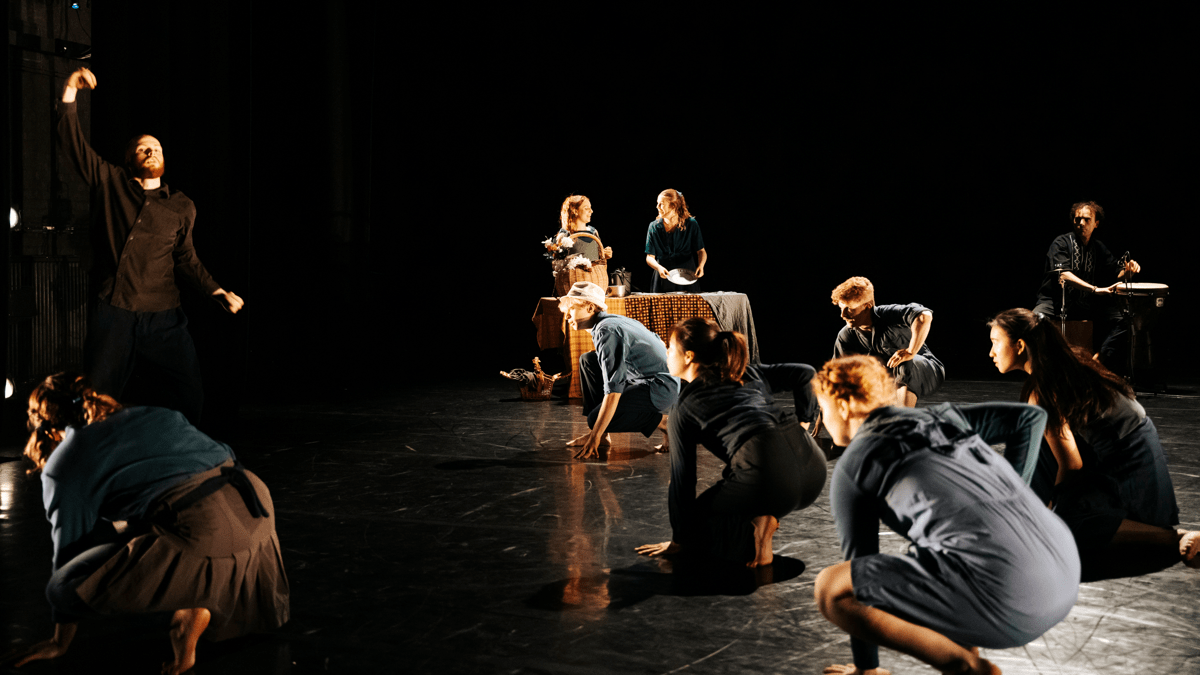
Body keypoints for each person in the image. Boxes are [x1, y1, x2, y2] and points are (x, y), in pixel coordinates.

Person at [812, 356, 1080, 675]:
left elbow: (860, 578)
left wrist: (865, 668)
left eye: (822, 408)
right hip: (1065, 570)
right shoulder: (941, 417)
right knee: (933, 553)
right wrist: (1011, 495)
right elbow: (1031, 419)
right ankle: (967, 649)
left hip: (1011, 600)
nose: (822, 419)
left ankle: (962, 665)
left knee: (831, 588)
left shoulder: (854, 466)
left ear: (842, 406)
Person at [6, 373, 289, 674]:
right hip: (256, 509)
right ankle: (198, 586)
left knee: (63, 587)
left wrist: (59, 641)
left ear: (45, 425)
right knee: (127, 524)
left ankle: (192, 598)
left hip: (206, 529)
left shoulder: (63, 463)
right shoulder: (149, 413)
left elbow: (70, 548)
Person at [57, 67, 245, 425]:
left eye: (156, 147)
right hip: (114, 311)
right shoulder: (111, 182)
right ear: (130, 160)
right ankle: (95, 459)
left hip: (163, 315)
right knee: (97, 397)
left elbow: (186, 258)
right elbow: (72, 144)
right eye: (143, 148)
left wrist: (216, 290)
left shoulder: (181, 205)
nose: (150, 151)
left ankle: (180, 456)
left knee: (188, 393)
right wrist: (70, 90)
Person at [988, 308, 1199, 579]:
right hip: (1123, 450)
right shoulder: (1064, 362)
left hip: (1132, 469)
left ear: (1019, 346)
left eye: (995, 342)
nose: (991, 352)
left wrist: (1055, 518)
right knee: (1034, 445)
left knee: (1064, 529)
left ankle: (1173, 538)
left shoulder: (1043, 387)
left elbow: (1072, 467)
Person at [635, 318, 826, 567]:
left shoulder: (684, 408)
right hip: (814, 469)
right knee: (735, 470)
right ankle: (762, 516)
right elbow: (806, 373)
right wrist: (804, 423)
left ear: (689, 356)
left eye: (670, 347)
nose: (667, 352)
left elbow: (683, 481)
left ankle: (755, 531)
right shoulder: (746, 372)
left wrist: (679, 540)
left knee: (696, 528)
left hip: (771, 480)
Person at [560, 281, 679, 459]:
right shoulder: (611, 321)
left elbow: (613, 389)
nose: (567, 317)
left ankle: (665, 423)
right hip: (648, 379)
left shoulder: (606, 330)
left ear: (591, 307)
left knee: (595, 421)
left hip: (661, 387)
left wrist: (595, 435)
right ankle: (603, 435)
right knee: (588, 360)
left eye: (572, 310)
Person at [1032, 201, 1141, 368]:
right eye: (1077, 219)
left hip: (1084, 304)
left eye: (1086, 219)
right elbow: (1064, 274)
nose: (1081, 223)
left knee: (1127, 319)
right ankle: (1043, 369)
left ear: (1096, 223)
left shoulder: (1098, 247)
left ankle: (1096, 362)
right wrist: (1094, 289)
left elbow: (1116, 271)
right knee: (1034, 320)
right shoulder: (1061, 243)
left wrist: (1129, 270)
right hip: (1053, 302)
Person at [831, 276, 943, 407]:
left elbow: (924, 316)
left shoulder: (889, 314)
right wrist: (822, 417)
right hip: (891, 381)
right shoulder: (846, 335)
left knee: (904, 362)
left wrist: (910, 351)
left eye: (849, 309)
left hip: (927, 373)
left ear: (867, 306)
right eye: (841, 309)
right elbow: (836, 377)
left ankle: (901, 421)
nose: (843, 315)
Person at [644, 189, 707, 293]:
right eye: (657, 203)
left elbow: (701, 251)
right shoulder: (654, 227)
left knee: (689, 308)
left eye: (661, 204)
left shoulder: (691, 224)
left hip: (687, 276)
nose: (657, 207)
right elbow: (649, 257)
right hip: (664, 276)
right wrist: (659, 268)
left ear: (673, 206)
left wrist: (701, 265)